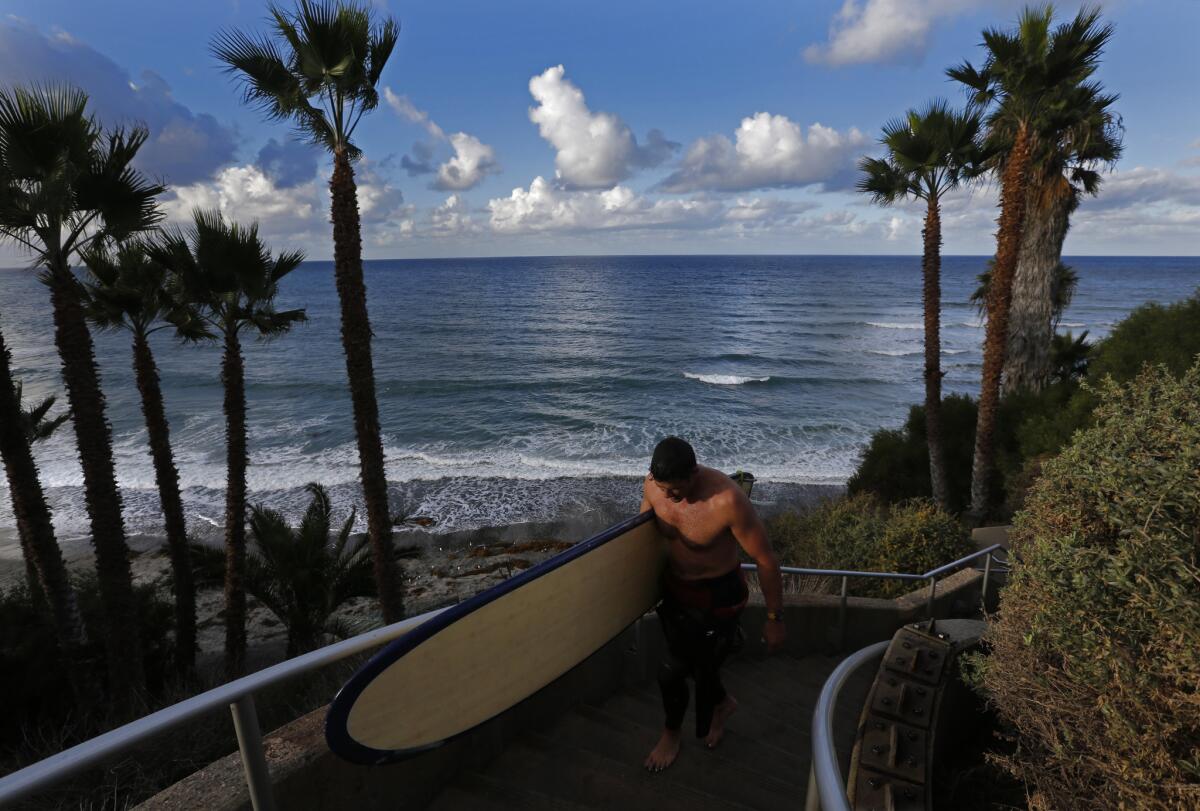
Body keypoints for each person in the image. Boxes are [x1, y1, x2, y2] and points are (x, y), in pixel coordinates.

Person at [639, 436, 787, 772]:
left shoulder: (727, 501)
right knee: (696, 666)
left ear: (693, 473)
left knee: (674, 671)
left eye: (675, 490)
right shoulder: (652, 486)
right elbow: (642, 540)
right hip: (676, 591)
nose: (668, 497)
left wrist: (775, 617)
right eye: (663, 489)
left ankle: (671, 733)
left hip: (718, 597)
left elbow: (765, 559)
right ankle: (723, 704)